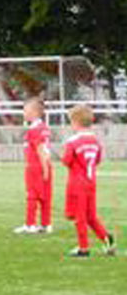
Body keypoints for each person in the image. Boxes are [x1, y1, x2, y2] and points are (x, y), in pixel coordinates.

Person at [62, 105, 116, 257]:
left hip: (77, 183)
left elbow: (67, 161)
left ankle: (83, 247)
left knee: (79, 216)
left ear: (76, 122)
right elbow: (97, 159)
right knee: (90, 216)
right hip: (91, 181)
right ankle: (106, 237)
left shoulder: (73, 141)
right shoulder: (94, 140)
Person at [13, 97, 53, 234]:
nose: (24, 113)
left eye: (26, 110)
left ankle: (30, 224)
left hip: (35, 167)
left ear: (35, 112)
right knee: (45, 196)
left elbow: (40, 149)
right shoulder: (44, 127)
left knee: (32, 195)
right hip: (45, 165)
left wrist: (44, 169)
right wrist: (47, 167)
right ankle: (46, 224)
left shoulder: (34, 130)